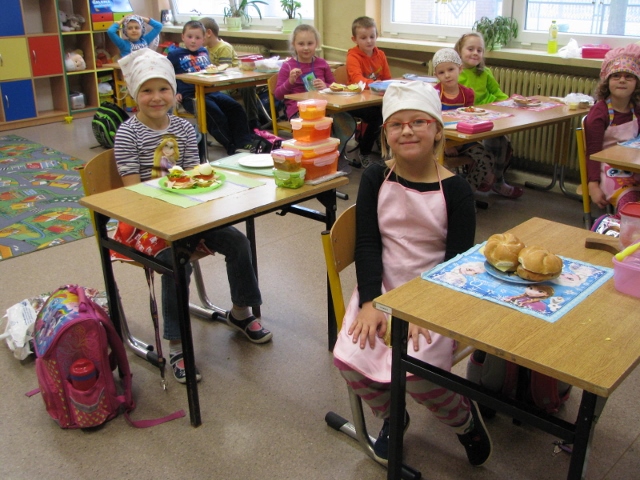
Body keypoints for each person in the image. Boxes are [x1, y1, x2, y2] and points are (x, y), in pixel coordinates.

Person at [332, 81, 492, 467]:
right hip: (382, 289)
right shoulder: (375, 178)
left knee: (420, 375)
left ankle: (464, 420)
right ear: (385, 134)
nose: (407, 131)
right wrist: (370, 301)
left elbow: (456, 263)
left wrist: (427, 309)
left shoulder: (457, 191)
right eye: (396, 124)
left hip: (435, 294)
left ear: (437, 130)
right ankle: (393, 415)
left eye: (418, 122)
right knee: (350, 362)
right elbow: (367, 244)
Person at [113, 49, 273, 384]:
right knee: (176, 262)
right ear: (134, 95)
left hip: (188, 213)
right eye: (146, 90)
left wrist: (202, 200)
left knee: (237, 242)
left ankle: (240, 312)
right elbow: (132, 194)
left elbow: (194, 176)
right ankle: (177, 344)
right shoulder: (128, 133)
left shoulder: (185, 129)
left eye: (163, 89)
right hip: (145, 221)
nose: (156, 97)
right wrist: (172, 210)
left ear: (174, 92)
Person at [167, 21, 255, 156]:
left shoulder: (204, 51)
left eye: (197, 38)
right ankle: (231, 146)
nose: (193, 41)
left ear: (203, 39)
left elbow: (208, 72)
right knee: (215, 114)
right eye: (189, 37)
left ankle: (244, 143)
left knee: (236, 108)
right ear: (182, 37)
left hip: (211, 91)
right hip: (191, 95)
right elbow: (168, 74)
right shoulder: (175, 54)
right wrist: (175, 92)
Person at [454, 32, 524, 199]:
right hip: (466, 120)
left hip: (488, 116)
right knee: (489, 145)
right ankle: (486, 178)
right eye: (470, 49)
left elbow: (497, 93)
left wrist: (511, 103)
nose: (475, 53)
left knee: (502, 141)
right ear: (459, 51)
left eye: (479, 50)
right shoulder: (455, 73)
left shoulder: (485, 72)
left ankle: (497, 180)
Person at [585, 43, 640, 216]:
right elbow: (592, 152)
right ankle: (623, 225)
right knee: (629, 199)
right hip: (607, 169)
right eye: (616, 76)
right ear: (607, 81)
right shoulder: (599, 113)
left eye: (628, 76)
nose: (622, 80)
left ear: (636, 83)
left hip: (632, 164)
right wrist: (593, 184)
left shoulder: (636, 110)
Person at [432, 48, 496, 192]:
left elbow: (469, 118)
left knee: (486, 159)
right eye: (441, 72)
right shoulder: (435, 94)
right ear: (436, 75)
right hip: (440, 142)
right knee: (445, 172)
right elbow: (432, 124)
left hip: (464, 141)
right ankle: (449, 195)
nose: (447, 75)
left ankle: (467, 191)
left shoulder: (467, 93)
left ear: (460, 69)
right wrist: (446, 145)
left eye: (451, 69)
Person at [199, 17, 268, 131]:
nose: (199, 39)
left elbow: (224, 69)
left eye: (200, 35)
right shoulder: (205, 49)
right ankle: (223, 124)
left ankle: (252, 120)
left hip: (232, 80)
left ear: (209, 33)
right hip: (216, 81)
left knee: (243, 86)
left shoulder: (223, 47)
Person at [345, 16, 390, 167]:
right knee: (378, 117)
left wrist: (384, 86)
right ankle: (364, 152)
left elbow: (387, 79)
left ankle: (387, 148)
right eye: (363, 38)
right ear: (355, 39)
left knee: (393, 110)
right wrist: (376, 84)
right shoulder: (353, 56)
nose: (369, 41)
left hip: (375, 99)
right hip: (355, 101)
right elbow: (357, 79)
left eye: (372, 36)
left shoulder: (380, 55)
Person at [275, 24, 335, 120]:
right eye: (301, 44)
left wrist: (325, 86)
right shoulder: (288, 66)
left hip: (323, 107)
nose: (306, 48)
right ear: (294, 44)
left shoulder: (322, 63)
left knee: (342, 118)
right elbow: (278, 95)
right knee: (319, 121)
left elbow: (334, 87)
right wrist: (290, 82)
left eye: (310, 43)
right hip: (298, 110)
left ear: (316, 43)